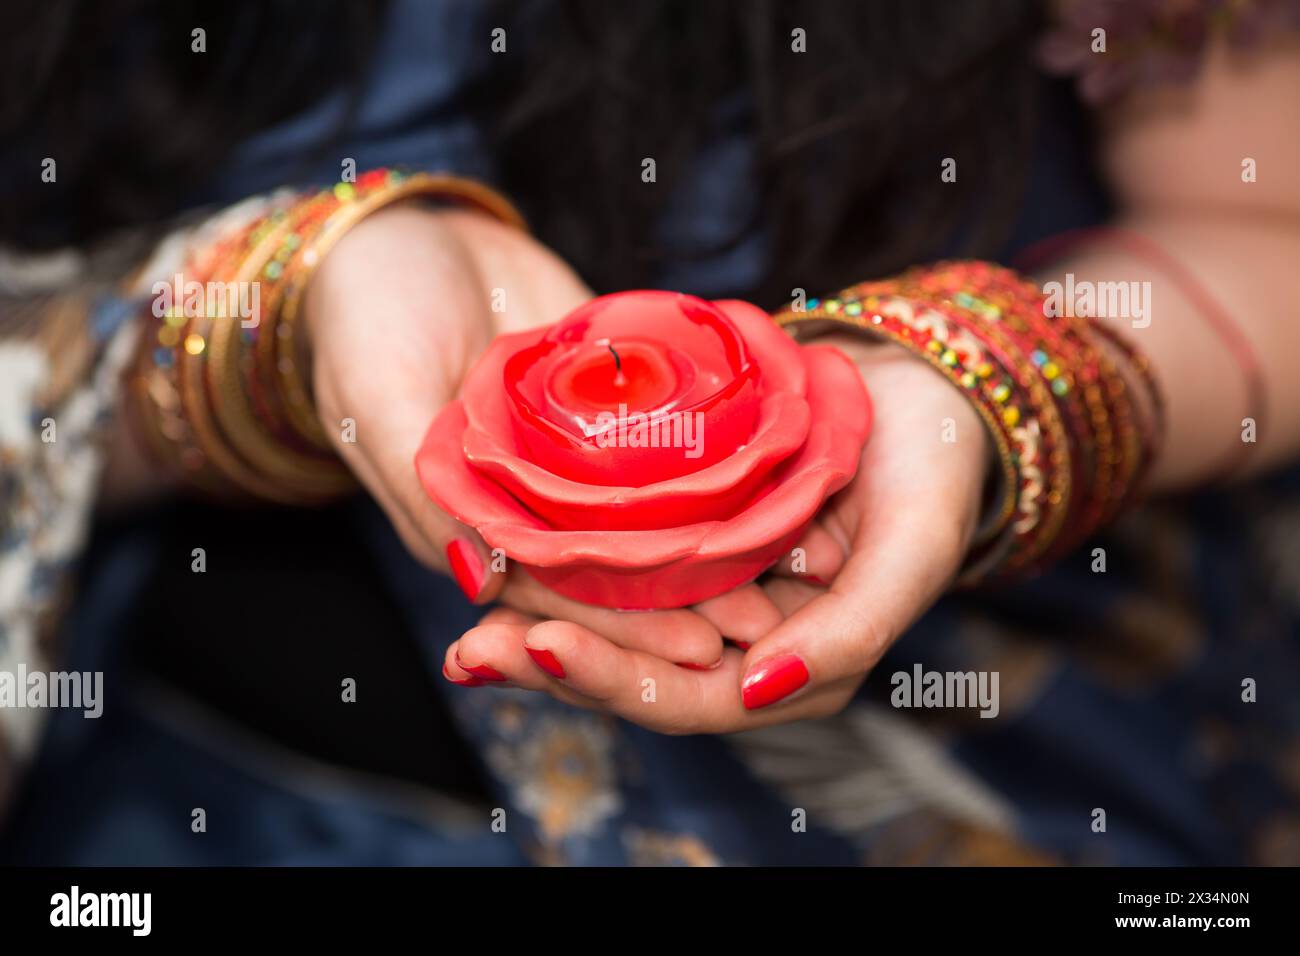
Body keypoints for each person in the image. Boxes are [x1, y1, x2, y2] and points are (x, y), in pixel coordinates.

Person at [1, 0, 1297, 865]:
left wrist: (1006, 383)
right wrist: (269, 322)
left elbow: (1265, 233)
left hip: (961, 779)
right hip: (167, 797)